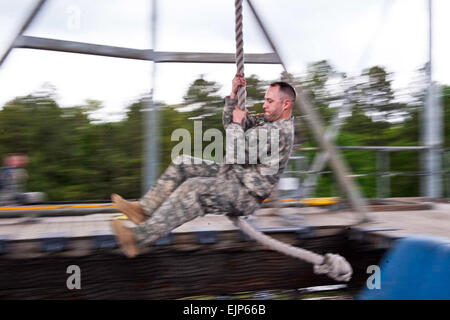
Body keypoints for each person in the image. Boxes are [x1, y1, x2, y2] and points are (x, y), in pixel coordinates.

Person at [111, 73, 296, 257]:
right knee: (184, 162)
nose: (264, 105)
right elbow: (232, 122)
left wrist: (237, 125)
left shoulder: (280, 132)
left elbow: (237, 154)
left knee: (194, 188)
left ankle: (138, 239)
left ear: (285, 104)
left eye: (269, 101)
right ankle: (144, 210)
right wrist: (233, 96)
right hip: (235, 177)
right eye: (265, 100)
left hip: (246, 194)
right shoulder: (268, 120)